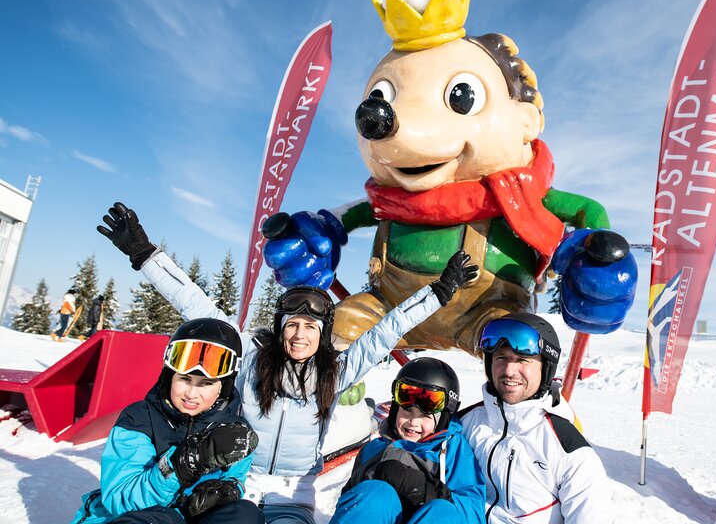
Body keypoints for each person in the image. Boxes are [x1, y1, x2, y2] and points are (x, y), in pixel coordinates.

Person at [96, 202, 479, 524]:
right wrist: (144, 254)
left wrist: (438, 292)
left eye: (310, 326)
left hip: (295, 495)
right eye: (291, 324)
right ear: (280, 329)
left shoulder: (338, 371)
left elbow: (385, 331)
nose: (299, 335)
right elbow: (197, 306)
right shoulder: (252, 359)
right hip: (236, 484)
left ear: (323, 332)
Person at [71, 318, 264, 524]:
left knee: (244, 514)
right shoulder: (139, 420)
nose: (191, 394)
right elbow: (120, 500)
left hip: (189, 518)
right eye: (184, 379)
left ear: (223, 388)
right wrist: (182, 465)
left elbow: (235, 479)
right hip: (133, 518)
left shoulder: (232, 432)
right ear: (169, 377)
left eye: (206, 383)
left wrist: (226, 491)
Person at [459, 313, 611, 523]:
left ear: (545, 368)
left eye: (523, 360)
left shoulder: (570, 451)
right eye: (501, 358)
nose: (509, 371)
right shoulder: (465, 423)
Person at [331, 357, 485, 524]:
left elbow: (472, 512)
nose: (413, 422)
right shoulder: (374, 449)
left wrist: (425, 489)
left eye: (425, 416)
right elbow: (350, 501)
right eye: (407, 412)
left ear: (443, 418)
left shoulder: (454, 451)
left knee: (443, 512)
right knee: (376, 493)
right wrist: (372, 472)